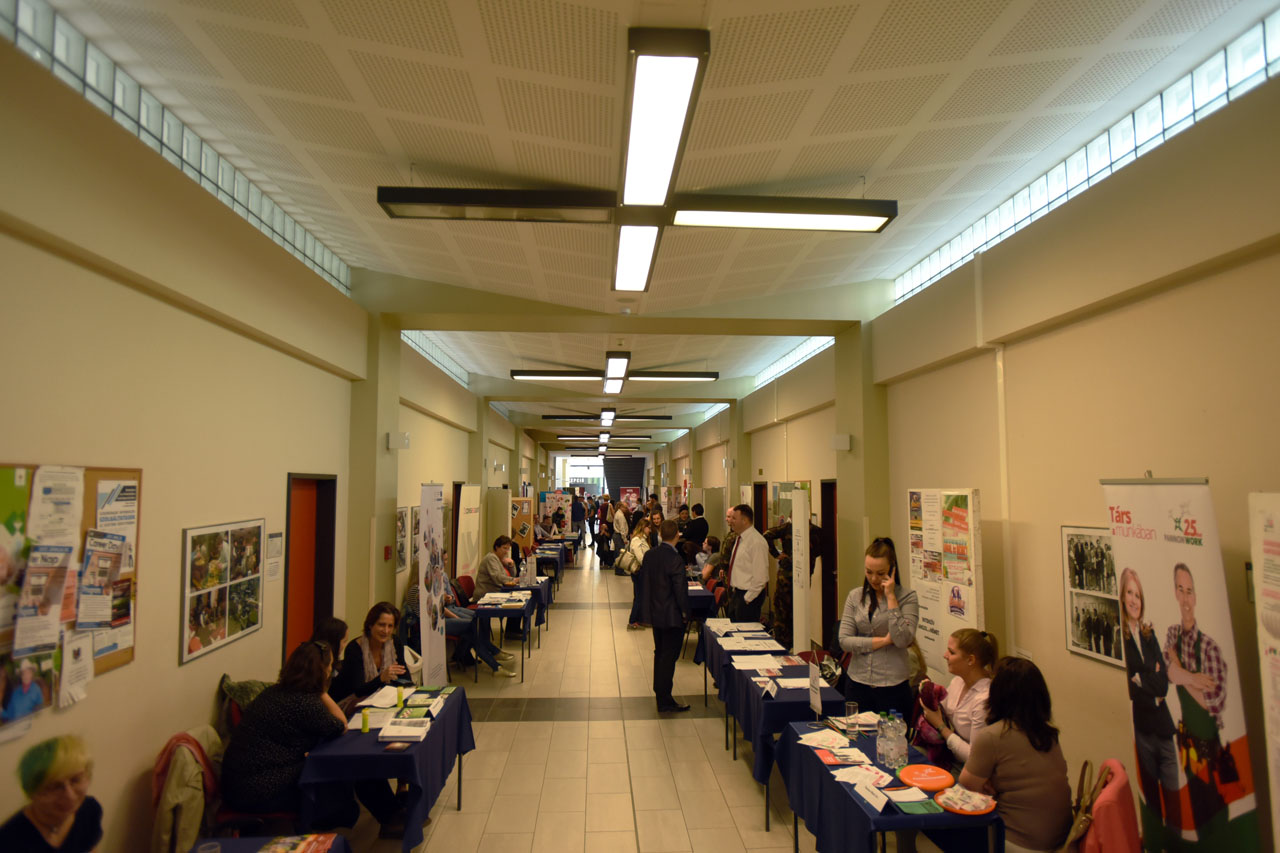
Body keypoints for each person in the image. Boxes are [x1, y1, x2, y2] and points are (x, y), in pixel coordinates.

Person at [223, 642, 405, 837]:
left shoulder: (275, 691)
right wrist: (322, 690)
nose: (332, 672)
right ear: (322, 672)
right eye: (330, 667)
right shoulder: (305, 702)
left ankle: (391, 815)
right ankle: (390, 817)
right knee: (352, 765)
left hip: (240, 782)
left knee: (349, 763)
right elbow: (341, 725)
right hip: (259, 790)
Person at [959, 657, 1072, 853]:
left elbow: (968, 783)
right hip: (1061, 839)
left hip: (1020, 842)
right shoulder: (1048, 734)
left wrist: (990, 782)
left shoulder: (993, 736)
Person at [1164, 562, 1230, 835]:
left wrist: (1181, 672)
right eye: (1180, 590)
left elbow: (1213, 702)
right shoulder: (1172, 634)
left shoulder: (1211, 648)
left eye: (1189, 591)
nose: (1185, 598)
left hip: (1211, 750)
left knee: (1218, 819)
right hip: (1187, 747)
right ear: (1175, 593)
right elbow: (1167, 673)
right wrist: (1193, 678)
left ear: (1196, 596)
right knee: (1199, 818)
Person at [1119, 567, 1180, 832]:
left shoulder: (1148, 634)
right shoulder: (1121, 638)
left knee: (1175, 807)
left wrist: (1143, 679)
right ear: (1122, 597)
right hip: (1143, 730)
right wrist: (1149, 682)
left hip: (1164, 730)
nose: (1134, 600)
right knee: (1153, 806)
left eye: (1138, 595)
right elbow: (1132, 691)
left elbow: (1163, 682)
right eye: (1130, 593)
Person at [837, 537, 919, 714]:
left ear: (892, 569)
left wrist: (891, 598)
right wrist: (883, 641)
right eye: (869, 572)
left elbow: (903, 639)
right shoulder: (855, 596)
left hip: (893, 687)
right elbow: (844, 641)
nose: (874, 579)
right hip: (857, 683)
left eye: (881, 573)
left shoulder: (908, 597)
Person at [0, 734, 102, 852]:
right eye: (54, 787)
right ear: (32, 793)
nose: (70, 796)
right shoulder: (8, 841)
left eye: (75, 780)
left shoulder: (89, 810)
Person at [919, 629, 997, 765]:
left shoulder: (984, 699)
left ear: (970, 660)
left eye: (952, 652)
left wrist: (940, 726)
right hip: (948, 756)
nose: (945, 655)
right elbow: (941, 712)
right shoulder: (958, 681)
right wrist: (929, 694)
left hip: (966, 767)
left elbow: (974, 757)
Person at [642, 520, 690, 713]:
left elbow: (645, 583)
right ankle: (665, 699)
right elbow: (680, 590)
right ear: (677, 535)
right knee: (669, 657)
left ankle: (660, 692)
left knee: (660, 653)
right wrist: (685, 612)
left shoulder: (650, 555)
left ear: (660, 534)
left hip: (656, 613)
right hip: (672, 616)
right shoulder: (676, 559)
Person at [331, 602, 408, 701]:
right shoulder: (354, 649)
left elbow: (404, 673)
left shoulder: (395, 642)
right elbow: (358, 691)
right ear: (370, 625)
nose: (386, 631)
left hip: (382, 698)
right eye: (381, 625)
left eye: (390, 626)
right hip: (352, 700)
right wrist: (381, 678)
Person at [442, 589, 517, 678]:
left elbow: (451, 598)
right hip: (440, 619)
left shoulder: (441, 580)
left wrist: (449, 598)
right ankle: (493, 657)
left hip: (450, 609)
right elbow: (440, 609)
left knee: (477, 623)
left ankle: (491, 660)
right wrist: (458, 619)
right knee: (473, 629)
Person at [726, 504, 768, 623]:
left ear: (744, 520)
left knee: (745, 631)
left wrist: (747, 599)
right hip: (737, 593)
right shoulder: (740, 539)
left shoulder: (756, 542)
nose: (730, 521)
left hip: (748, 596)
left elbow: (761, 577)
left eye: (734, 518)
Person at [626, 518, 652, 630]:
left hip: (642, 571)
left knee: (641, 596)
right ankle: (632, 621)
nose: (650, 530)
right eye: (648, 528)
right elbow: (641, 558)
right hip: (639, 572)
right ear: (643, 527)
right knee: (639, 596)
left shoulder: (643, 539)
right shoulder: (637, 540)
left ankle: (639, 620)